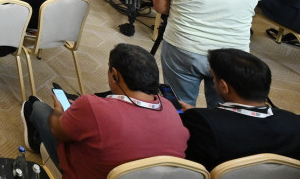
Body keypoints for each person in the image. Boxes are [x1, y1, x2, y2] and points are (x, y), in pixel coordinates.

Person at [22, 43, 188, 179]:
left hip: (84, 172)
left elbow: (58, 130)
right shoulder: (170, 109)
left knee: (39, 109)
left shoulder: (92, 106)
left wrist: (58, 110)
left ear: (115, 75)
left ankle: (36, 139)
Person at [179, 49, 300, 170]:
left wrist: (201, 115)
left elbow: (190, 167)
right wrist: (206, 115)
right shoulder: (295, 123)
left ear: (224, 86)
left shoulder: (202, 124)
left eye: (214, 78)